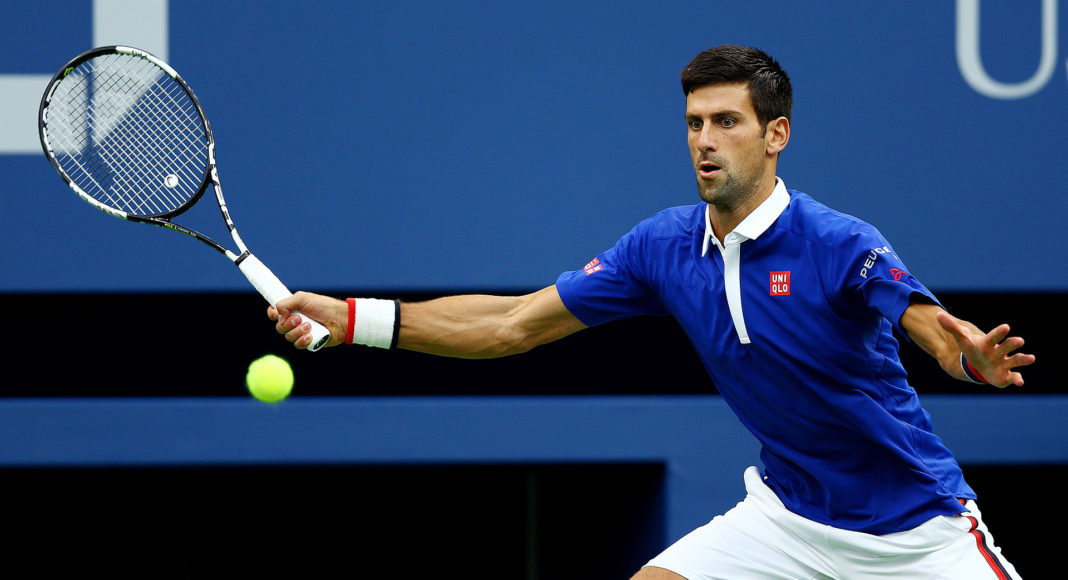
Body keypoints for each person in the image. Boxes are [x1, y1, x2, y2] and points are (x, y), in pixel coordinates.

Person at [268, 45, 1035, 579]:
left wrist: (965, 356)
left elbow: (930, 328)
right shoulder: (663, 246)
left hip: (914, 533)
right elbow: (512, 325)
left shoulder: (839, 242)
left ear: (776, 135)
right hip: (788, 520)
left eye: (726, 122)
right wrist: (355, 319)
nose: (705, 141)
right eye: (694, 123)